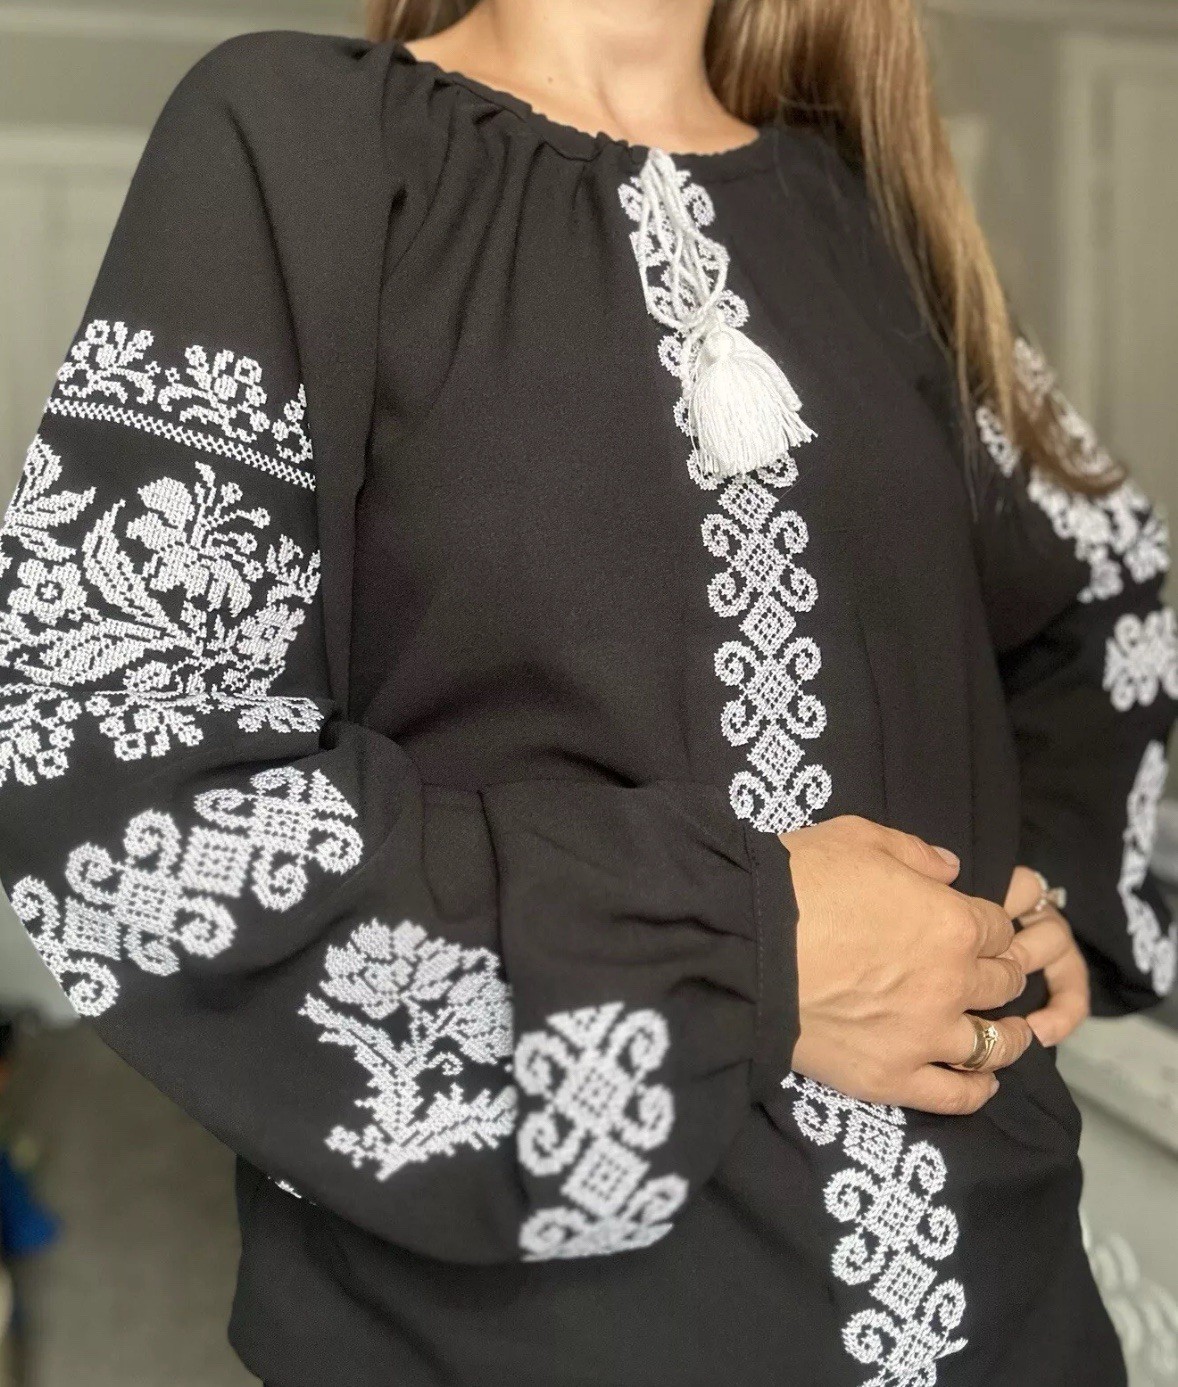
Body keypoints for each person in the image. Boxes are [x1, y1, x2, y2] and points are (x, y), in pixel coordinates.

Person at [0, 0, 1173, 1382]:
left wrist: (1034, 906)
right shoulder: (304, 141)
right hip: (531, 1339)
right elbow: (116, 760)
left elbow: (1109, 613)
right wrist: (746, 948)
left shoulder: (873, 226)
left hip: (1014, 1315)